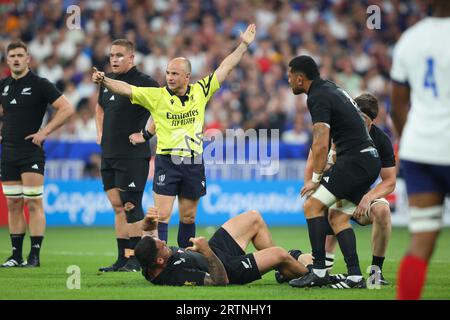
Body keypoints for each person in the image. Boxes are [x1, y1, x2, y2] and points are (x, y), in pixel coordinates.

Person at [92, 24, 257, 249]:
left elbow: (226, 67)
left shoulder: (200, 91)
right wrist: (104, 81)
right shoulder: (157, 96)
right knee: (162, 215)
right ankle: (163, 261)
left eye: (174, 74)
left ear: (187, 76)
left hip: (192, 160)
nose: (169, 77)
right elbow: (126, 89)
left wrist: (244, 44)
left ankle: (184, 256)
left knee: (188, 217)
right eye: (168, 73)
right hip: (167, 160)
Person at [287, 56, 381, 289]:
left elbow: (321, 141)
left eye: (290, 76)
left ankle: (318, 271)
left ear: (300, 78)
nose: (288, 80)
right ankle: (356, 276)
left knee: (312, 205)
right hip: (368, 159)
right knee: (338, 216)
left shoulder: (317, 96)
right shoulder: (330, 88)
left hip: (355, 161)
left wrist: (315, 180)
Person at [391, 0, 450, 300]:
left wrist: (408, 140)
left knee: (421, 241)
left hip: (420, 150)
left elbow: (397, 104)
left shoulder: (410, 39)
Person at [304, 93, 396, 285]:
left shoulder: (381, 140)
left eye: (366, 121)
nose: (361, 125)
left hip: (362, 199)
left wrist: (368, 197)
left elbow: (389, 181)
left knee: (383, 210)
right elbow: (313, 159)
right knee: (331, 204)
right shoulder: (334, 132)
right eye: (358, 118)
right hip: (338, 196)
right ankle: (315, 263)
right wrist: (311, 185)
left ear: (373, 121)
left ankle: (375, 273)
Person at [0, 41, 75, 267]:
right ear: (7, 59)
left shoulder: (40, 84)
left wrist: (45, 131)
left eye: (20, 55)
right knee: (13, 203)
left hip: (31, 152)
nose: (15, 59)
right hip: (8, 153)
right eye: (12, 55)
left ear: (28, 58)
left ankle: (34, 255)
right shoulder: (3, 85)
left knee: (33, 203)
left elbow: (67, 108)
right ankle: (15, 255)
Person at [95, 39, 159, 272]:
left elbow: (161, 109)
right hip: (109, 154)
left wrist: (145, 134)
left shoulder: (144, 82)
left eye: (120, 55)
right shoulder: (107, 83)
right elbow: (99, 107)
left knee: (131, 205)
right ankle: (123, 258)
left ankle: (135, 259)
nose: (114, 59)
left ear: (132, 58)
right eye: (112, 55)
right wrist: (100, 132)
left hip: (132, 155)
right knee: (117, 206)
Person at [134, 208, 311, 286]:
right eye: (162, 246)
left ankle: (285, 270)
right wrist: (207, 252)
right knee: (279, 253)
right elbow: (220, 281)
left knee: (253, 217)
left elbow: (148, 246)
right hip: (228, 269)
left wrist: (148, 228)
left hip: (214, 249)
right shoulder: (175, 276)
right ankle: (312, 276)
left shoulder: (150, 261)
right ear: (159, 260)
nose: (165, 243)